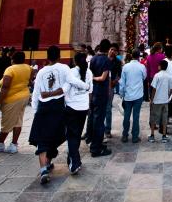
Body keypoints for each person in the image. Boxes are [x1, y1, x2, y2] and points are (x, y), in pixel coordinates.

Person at [29, 45, 89, 184]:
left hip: (43, 108)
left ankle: (44, 168)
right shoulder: (64, 68)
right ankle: (48, 163)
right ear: (59, 56)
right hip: (58, 107)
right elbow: (72, 81)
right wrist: (86, 86)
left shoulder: (41, 72)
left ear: (47, 57)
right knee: (56, 136)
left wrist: (35, 110)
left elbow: (36, 93)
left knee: (42, 139)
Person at [0, 51, 32, 154]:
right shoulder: (28, 68)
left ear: (13, 60)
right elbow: (29, 81)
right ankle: (13, 145)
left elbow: (5, 86)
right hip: (24, 96)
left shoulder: (10, 69)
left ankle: (0, 144)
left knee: (7, 123)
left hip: (11, 99)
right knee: (18, 121)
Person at [64, 52, 93, 175]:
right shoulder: (89, 72)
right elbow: (90, 90)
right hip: (83, 107)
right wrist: (89, 106)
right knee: (76, 134)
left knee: (72, 136)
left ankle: (74, 163)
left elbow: (65, 90)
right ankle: (75, 159)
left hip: (72, 107)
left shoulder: (71, 72)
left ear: (75, 61)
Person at [86, 39, 112, 157]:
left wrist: (92, 79)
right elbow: (102, 78)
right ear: (107, 49)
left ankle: (93, 142)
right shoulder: (106, 60)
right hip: (101, 92)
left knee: (93, 117)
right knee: (99, 121)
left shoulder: (93, 59)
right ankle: (96, 148)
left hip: (93, 92)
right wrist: (96, 78)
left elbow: (90, 75)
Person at [120, 48, 147, 143]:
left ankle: (125, 135)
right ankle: (135, 136)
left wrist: (122, 94)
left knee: (126, 116)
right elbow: (144, 77)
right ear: (139, 56)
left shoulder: (125, 67)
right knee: (136, 116)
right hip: (138, 95)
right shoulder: (142, 67)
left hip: (128, 95)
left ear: (131, 55)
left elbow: (122, 82)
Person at [148, 59, 172, 143]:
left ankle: (152, 135)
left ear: (160, 66)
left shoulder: (157, 75)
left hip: (157, 100)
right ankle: (164, 136)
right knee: (164, 118)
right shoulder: (169, 76)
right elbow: (171, 88)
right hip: (165, 100)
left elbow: (154, 88)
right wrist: (168, 96)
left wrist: (151, 99)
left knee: (153, 118)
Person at [104, 45, 122, 138]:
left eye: (115, 50)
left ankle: (107, 130)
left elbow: (119, 74)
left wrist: (115, 81)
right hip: (101, 86)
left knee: (108, 109)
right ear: (108, 50)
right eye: (111, 49)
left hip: (110, 87)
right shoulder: (103, 60)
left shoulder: (118, 62)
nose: (113, 51)